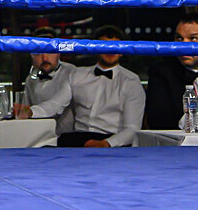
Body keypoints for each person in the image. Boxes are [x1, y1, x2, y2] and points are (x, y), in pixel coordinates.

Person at [15, 26, 145, 148]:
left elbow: (132, 128)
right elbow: (55, 104)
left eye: (115, 46)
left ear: (122, 51)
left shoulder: (131, 81)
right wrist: (31, 112)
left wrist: (107, 143)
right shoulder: (77, 75)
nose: (110, 50)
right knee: (39, 150)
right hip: (77, 137)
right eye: (104, 45)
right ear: (94, 48)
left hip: (111, 139)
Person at [146, 13, 198, 129]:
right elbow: (157, 121)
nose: (184, 46)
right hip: (178, 145)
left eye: (193, 38)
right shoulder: (162, 72)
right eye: (179, 38)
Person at [22, 27, 76, 135]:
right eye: (39, 52)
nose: (44, 58)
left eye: (49, 51)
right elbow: (24, 109)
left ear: (58, 53)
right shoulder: (31, 79)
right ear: (32, 55)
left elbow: (56, 106)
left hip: (66, 139)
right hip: (38, 138)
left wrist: (30, 112)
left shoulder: (71, 73)